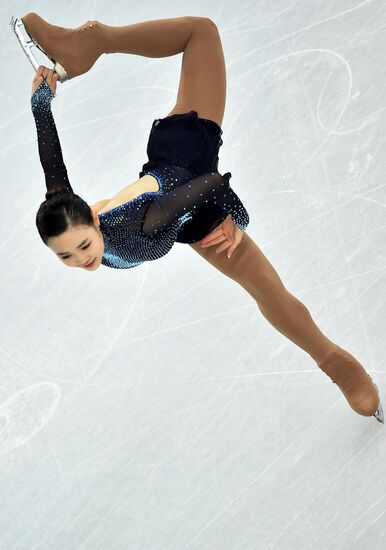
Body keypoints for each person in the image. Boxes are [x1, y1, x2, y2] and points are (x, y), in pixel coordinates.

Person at [24, 13, 383, 422]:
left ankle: (336, 363)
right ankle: (94, 42)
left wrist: (234, 218)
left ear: (93, 217)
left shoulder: (145, 223)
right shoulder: (65, 211)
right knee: (265, 288)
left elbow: (211, 182)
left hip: (188, 162)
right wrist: (41, 104)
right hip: (175, 190)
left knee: (202, 32)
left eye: (83, 246)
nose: (82, 259)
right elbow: (51, 161)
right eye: (66, 256)